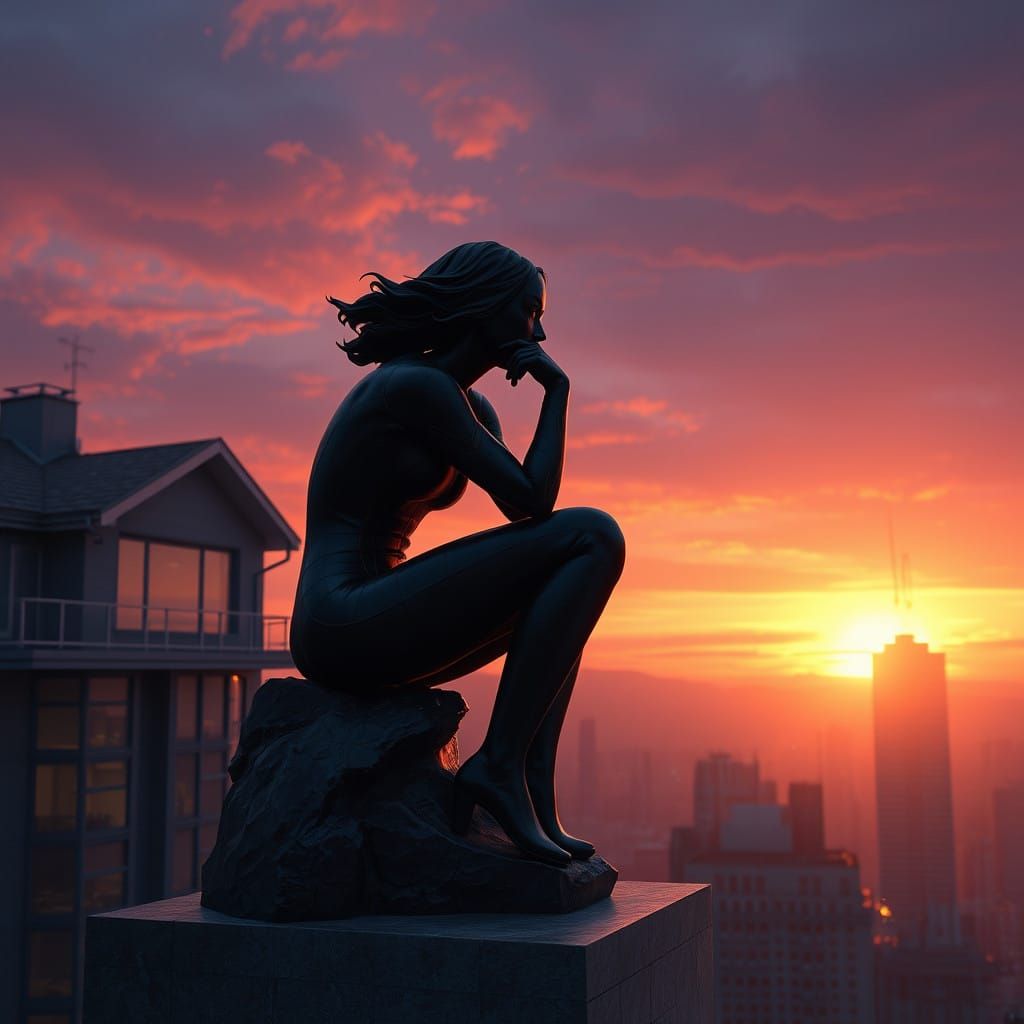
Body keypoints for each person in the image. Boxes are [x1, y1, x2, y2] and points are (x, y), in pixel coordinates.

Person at [290, 241, 625, 867]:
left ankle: (526, 783)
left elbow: (529, 505)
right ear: (487, 306)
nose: (541, 331)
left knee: (566, 590)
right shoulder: (413, 386)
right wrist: (557, 393)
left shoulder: (470, 405)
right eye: (530, 311)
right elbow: (533, 503)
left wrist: (555, 392)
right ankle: (499, 768)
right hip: (340, 620)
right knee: (593, 537)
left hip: (377, 616)